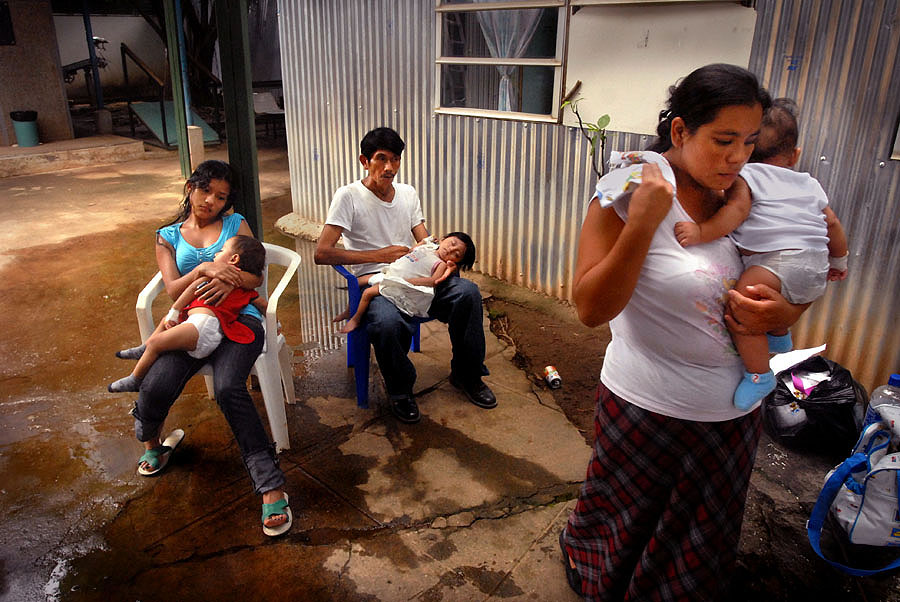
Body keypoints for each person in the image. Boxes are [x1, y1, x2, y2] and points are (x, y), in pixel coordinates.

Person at [559, 64, 809, 600]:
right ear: (679, 131)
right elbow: (588, 307)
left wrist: (785, 314)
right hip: (648, 411)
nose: (738, 157)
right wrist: (645, 225)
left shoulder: (749, 192)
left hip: (733, 417)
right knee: (624, 527)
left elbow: (791, 267)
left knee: (698, 542)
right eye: (723, 141)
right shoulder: (628, 190)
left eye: (748, 141)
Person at [116, 160, 291, 537]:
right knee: (156, 382)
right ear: (191, 186)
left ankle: (270, 485)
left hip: (240, 320)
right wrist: (203, 271)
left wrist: (231, 282)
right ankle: (153, 441)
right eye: (205, 190)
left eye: (221, 197)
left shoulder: (235, 224)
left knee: (229, 388)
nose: (210, 200)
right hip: (192, 323)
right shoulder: (167, 236)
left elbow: (256, 275)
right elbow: (174, 289)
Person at [672, 98, 849, 409]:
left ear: (749, 149)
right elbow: (831, 222)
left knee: (742, 309)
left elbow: (736, 211)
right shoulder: (810, 183)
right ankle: (780, 336)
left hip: (776, 263)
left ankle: (759, 375)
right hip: (816, 266)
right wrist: (839, 261)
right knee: (770, 298)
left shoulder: (747, 177)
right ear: (795, 155)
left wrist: (701, 232)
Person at [314, 127, 496, 424]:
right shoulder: (348, 196)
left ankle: (467, 374)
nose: (389, 168)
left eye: (395, 160)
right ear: (364, 160)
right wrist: (379, 255)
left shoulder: (408, 193)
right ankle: (400, 390)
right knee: (385, 323)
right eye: (381, 159)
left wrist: (444, 259)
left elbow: (425, 241)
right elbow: (321, 253)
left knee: (468, 293)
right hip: (381, 282)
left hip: (419, 276)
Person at [109, 235, 268, 393]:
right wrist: (174, 312)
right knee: (165, 322)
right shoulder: (239, 285)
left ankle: (135, 379)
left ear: (233, 259)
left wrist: (176, 309)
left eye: (221, 251)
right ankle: (145, 349)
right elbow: (262, 303)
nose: (215, 254)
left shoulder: (221, 277)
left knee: (157, 343)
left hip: (203, 328)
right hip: (198, 325)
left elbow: (191, 290)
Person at [339, 232, 475, 333]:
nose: (450, 250)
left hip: (400, 283)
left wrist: (408, 282)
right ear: (444, 239)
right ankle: (349, 310)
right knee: (357, 282)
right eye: (452, 244)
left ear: (456, 262)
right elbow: (411, 251)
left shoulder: (441, 264)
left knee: (368, 292)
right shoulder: (428, 247)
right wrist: (422, 243)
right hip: (389, 273)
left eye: (456, 255)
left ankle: (355, 319)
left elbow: (433, 281)